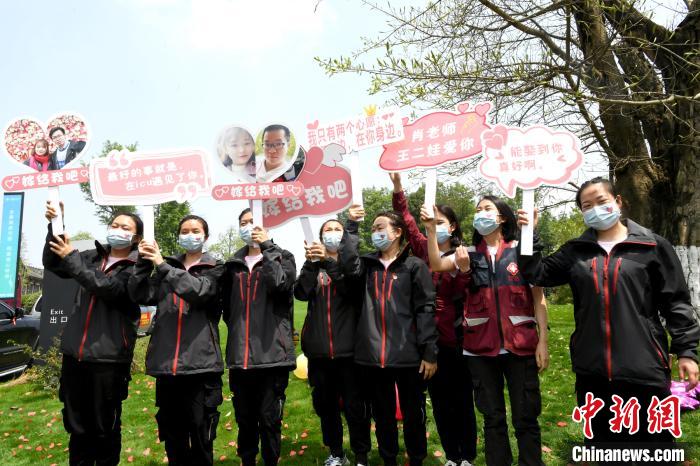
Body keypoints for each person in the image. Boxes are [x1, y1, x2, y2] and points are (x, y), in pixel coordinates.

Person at [517, 177, 700, 449]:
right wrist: (529, 233)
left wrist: (686, 352)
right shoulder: (575, 251)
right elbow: (536, 273)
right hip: (593, 370)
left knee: (653, 447)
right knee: (603, 447)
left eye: (601, 201)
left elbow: (676, 302)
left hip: (645, 367)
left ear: (618, 201)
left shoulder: (652, 246)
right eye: (586, 205)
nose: (595, 209)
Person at [424, 196, 549, 466]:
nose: (480, 214)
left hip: (521, 346)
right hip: (479, 350)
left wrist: (544, 342)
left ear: (502, 217)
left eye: (487, 209)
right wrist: (432, 231)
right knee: (493, 419)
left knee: (525, 418)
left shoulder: (521, 250)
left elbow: (539, 298)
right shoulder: (466, 254)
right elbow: (435, 264)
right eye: (478, 210)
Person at [42, 202, 142, 466]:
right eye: (114, 225)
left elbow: (107, 288)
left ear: (136, 237)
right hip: (75, 356)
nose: (117, 230)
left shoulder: (137, 268)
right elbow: (54, 262)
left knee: (104, 427)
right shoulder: (91, 257)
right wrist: (55, 224)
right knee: (76, 426)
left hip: (108, 361)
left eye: (125, 227)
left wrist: (72, 256)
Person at [389, 173, 477, 466]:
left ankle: (467, 456)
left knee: (463, 400)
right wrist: (399, 189)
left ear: (452, 227)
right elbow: (408, 221)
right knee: (440, 402)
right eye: (433, 223)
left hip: (459, 341)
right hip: (428, 342)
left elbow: (467, 295)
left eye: (441, 223)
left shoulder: (463, 255)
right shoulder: (424, 254)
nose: (435, 228)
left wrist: (463, 273)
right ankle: (452, 456)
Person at [340, 205, 439, 466]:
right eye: (372, 229)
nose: (375, 233)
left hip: (409, 357)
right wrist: (351, 226)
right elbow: (348, 264)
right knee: (382, 416)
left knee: (413, 416)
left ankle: (416, 459)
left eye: (379, 228)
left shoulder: (415, 266)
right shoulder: (367, 266)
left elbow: (425, 309)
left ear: (396, 232)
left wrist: (429, 352)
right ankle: (388, 459)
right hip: (373, 358)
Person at [127, 215, 225, 465]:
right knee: (174, 438)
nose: (189, 235)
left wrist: (161, 265)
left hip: (200, 367)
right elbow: (141, 293)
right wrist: (143, 261)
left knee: (202, 437)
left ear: (205, 235)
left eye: (195, 230)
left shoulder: (216, 267)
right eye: (184, 230)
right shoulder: (165, 267)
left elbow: (200, 292)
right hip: (167, 366)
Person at [221, 208, 297, 466]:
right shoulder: (232, 265)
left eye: (254, 222)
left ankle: (270, 460)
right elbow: (227, 310)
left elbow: (279, 286)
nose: (249, 227)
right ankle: (247, 460)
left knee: (269, 418)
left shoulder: (283, 257)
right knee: (245, 418)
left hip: (272, 356)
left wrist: (267, 247)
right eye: (244, 222)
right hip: (240, 357)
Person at [295, 218, 371, 466]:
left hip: (349, 351)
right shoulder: (314, 265)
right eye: (327, 230)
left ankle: (361, 456)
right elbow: (301, 293)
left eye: (337, 229)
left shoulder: (354, 266)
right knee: (326, 407)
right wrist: (311, 262)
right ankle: (336, 453)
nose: (333, 233)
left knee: (355, 407)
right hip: (318, 353)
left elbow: (351, 292)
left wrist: (330, 262)